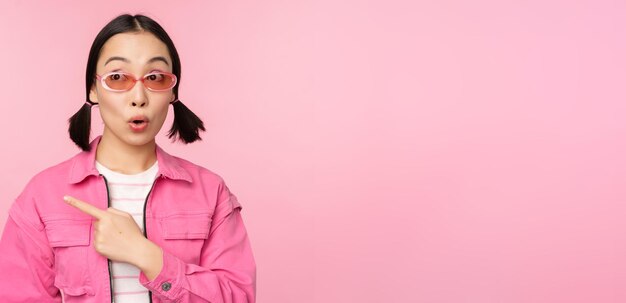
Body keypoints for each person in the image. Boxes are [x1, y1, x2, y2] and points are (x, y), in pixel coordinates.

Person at [0, 13, 256, 303]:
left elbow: (239, 297)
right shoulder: (43, 195)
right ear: (93, 89)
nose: (138, 97)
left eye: (155, 78)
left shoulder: (211, 192)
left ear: (172, 90)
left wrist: (146, 255)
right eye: (118, 77)